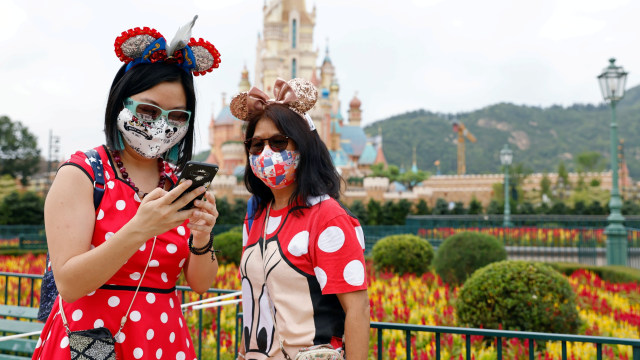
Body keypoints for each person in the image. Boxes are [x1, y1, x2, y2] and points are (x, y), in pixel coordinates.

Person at [33, 17, 222, 360]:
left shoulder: (175, 182)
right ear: (122, 102)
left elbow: (200, 283)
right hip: (89, 340)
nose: (161, 125)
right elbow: (70, 284)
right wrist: (140, 228)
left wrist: (202, 235)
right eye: (149, 110)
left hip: (164, 339)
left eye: (177, 116)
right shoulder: (83, 173)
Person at [230, 78, 370, 360]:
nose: (266, 153)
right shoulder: (256, 215)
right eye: (256, 145)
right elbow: (256, 299)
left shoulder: (327, 217)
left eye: (279, 142)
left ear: (304, 146)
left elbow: (357, 308)